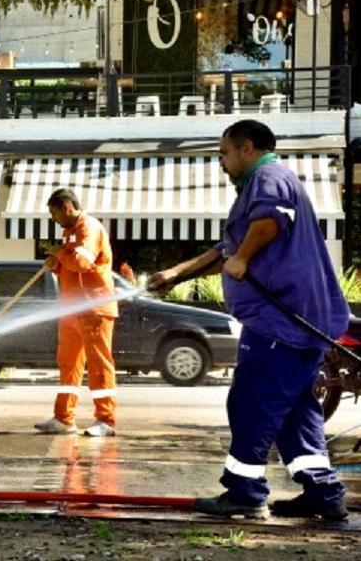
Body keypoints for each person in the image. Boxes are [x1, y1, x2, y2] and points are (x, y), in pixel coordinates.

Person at [147, 119, 349, 520]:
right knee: (296, 410)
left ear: (247, 148)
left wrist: (241, 258)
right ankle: (322, 492)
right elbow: (228, 251)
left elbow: (268, 223)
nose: (221, 162)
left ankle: (244, 491)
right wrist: (175, 275)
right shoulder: (262, 184)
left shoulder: (268, 177)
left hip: (281, 321)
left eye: (224, 153)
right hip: (298, 323)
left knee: (251, 402)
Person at [35, 188, 118, 437]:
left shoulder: (88, 227)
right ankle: (64, 418)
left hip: (94, 308)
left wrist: (59, 253)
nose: (54, 218)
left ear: (67, 208)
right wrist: (57, 265)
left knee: (99, 364)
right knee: (68, 364)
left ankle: (106, 421)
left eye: (54, 212)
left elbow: (83, 262)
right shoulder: (69, 232)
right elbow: (73, 268)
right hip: (72, 309)